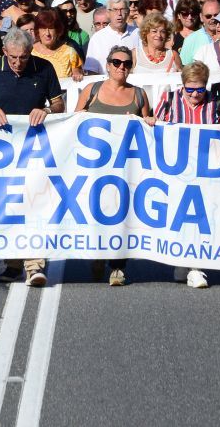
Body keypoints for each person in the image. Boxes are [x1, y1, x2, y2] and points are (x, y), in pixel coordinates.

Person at [0, 29, 66, 287]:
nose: (18, 63)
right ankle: (13, 263)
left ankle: (34, 264)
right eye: (13, 58)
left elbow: (59, 105)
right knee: (10, 205)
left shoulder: (44, 68)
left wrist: (46, 109)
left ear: (31, 53)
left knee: (33, 203)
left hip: (35, 148)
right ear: (5, 52)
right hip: (3, 151)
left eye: (24, 58)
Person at [75, 44, 151, 286]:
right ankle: (98, 254)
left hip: (126, 165)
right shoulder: (92, 89)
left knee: (123, 213)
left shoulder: (139, 94)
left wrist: (146, 120)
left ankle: (118, 265)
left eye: (126, 64)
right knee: (97, 211)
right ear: (107, 65)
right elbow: (73, 123)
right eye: (116, 62)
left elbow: (148, 126)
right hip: (95, 164)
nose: (121, 67)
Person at [153, 60, 220, 288]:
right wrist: (151, 122)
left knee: (201, 216)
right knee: (179, 215)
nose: (195, 94)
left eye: (199, 88)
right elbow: (156, 126)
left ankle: (196, 267)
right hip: (177, 168)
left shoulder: (216, 101)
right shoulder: (169, 99)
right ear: (182, 85)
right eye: (190, 89)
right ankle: (181, 260)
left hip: (205, 168)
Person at [85, 0, 137, 73]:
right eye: (115, 10)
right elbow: (92, 70)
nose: (119, 14)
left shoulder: (138, 34)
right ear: (108, 13)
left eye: (122, 9)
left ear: (128, 12)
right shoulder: (97, 38)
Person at [31, 8, 83, 80]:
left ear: (58, 30)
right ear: (37, 31)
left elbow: (77, 76)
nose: (47, 33)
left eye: (51, 28)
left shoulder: (69, 52)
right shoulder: (29, 52)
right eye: (43, 28)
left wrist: (77, 75)